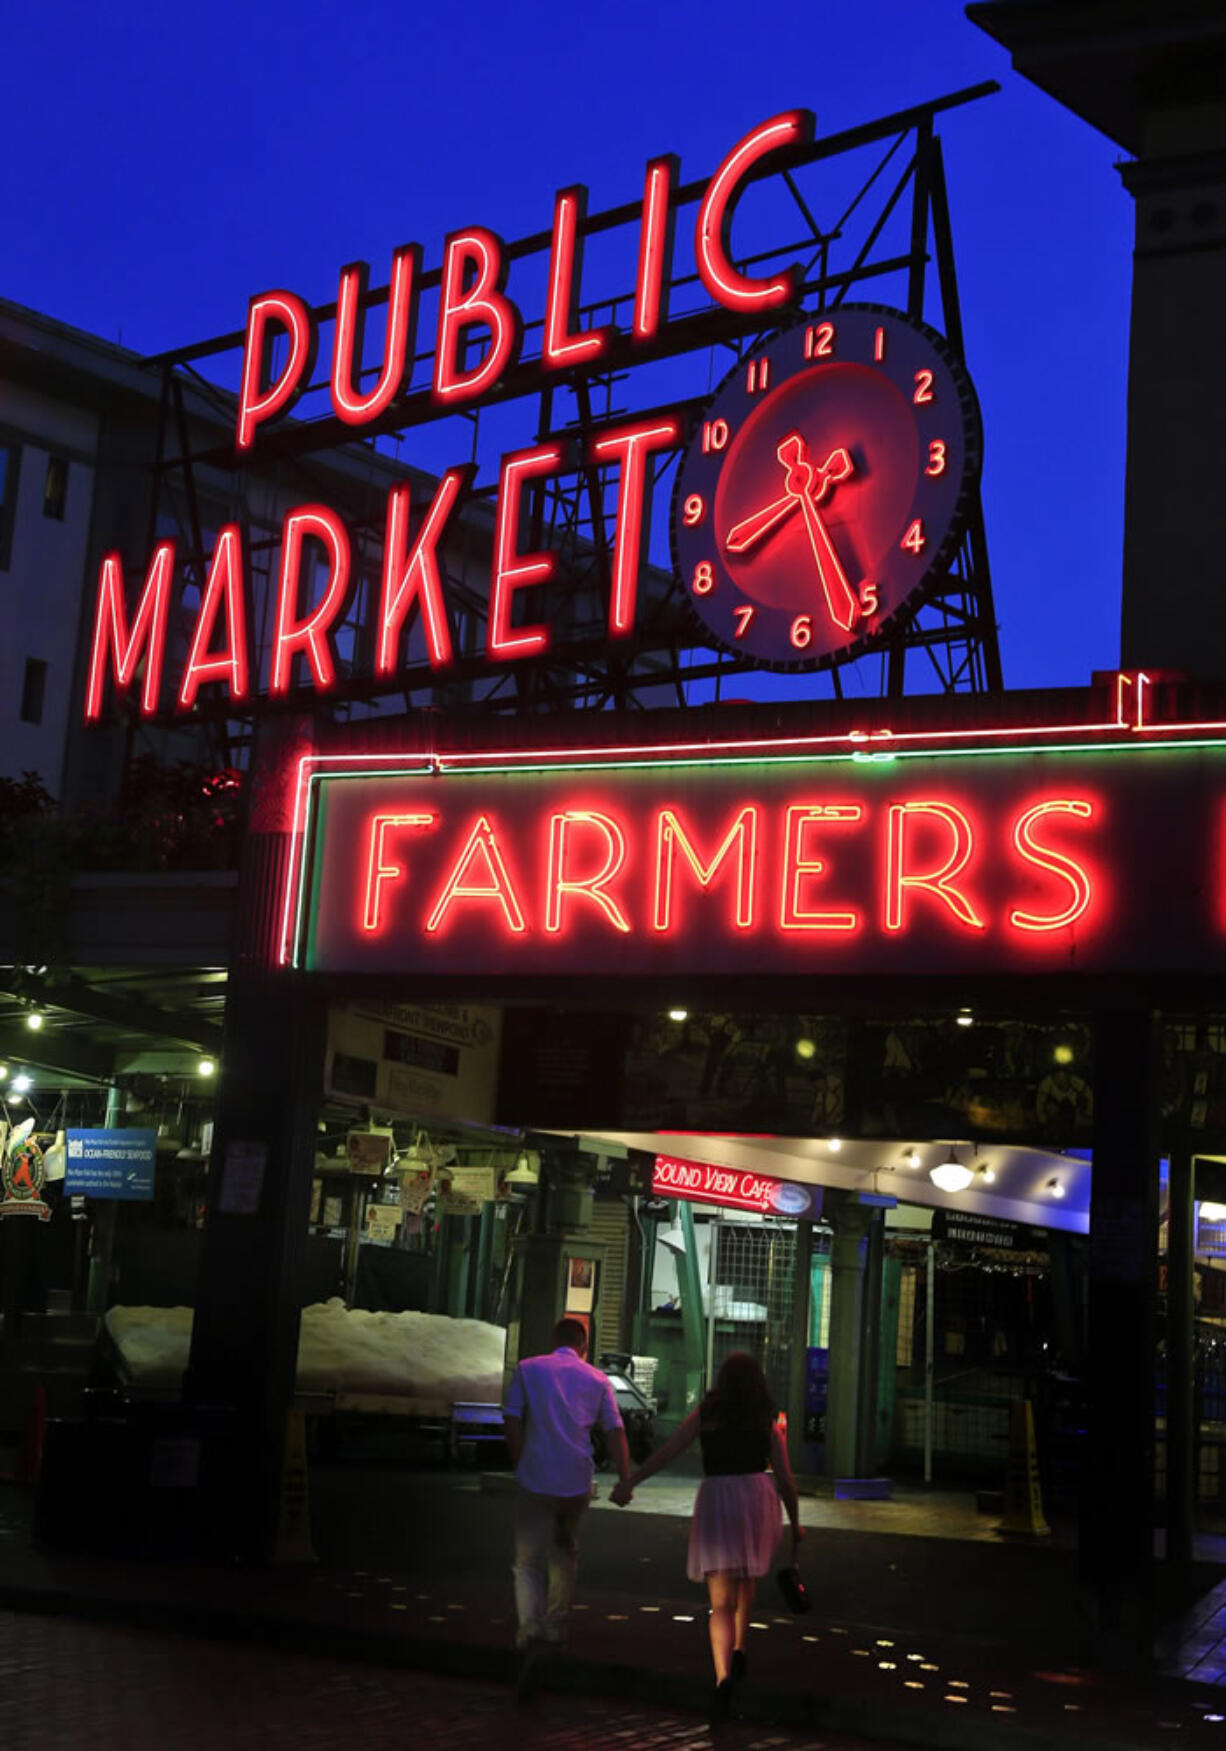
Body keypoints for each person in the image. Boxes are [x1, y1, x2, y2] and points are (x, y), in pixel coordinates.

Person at [611, 1351, 803, 1719]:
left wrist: (631, 1481)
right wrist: (795, 1525)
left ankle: (722, 1677)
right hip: (755, 1497)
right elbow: (786, 1479)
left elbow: (667, 1452)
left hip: (717, 1499)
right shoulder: (766, 1418)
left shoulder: (707, 1413)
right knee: (747, 1578)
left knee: (721, 1600)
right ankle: (741, 1649)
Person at [502, 1317, 630, 1691]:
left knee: (527, 1561)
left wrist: (520, 1461)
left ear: (552, 1340)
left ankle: (529, 1629)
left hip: (535, 1477)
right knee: (565, 1552)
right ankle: (556, 1628)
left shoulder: (528, 1369)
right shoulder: (597, 1379)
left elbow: (511, 1420)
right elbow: (615, 1431)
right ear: (584, 1346)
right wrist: (625, 1479)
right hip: (575, 1480)